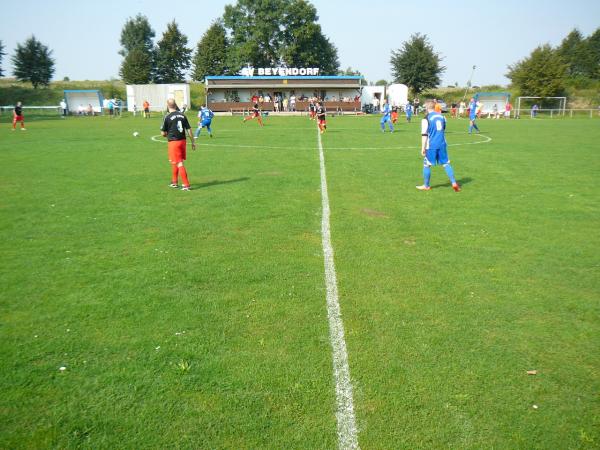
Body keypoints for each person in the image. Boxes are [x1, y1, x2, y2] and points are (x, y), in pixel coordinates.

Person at [416, 100, 460, 192]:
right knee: (446, 163)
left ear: (427, 108)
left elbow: (424, 135)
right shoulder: (442, 117)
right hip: (442, 143)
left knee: (426, 165)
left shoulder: (426, 118)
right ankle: (454, 183)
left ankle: (426, 186)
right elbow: (443, 130)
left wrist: (423, 148)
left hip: (431, 145)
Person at [160, 98, 196, 191]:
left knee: (179, 163)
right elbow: (189, 129)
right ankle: (174, 182)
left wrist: (167, 134)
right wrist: (193, 142)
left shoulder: (167, 117)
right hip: (183, 141)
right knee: (174, 161)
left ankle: (186, 185)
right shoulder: (182, 115)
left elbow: (163, 133)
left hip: (174, 142)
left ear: (167, 106)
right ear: (175, 105)